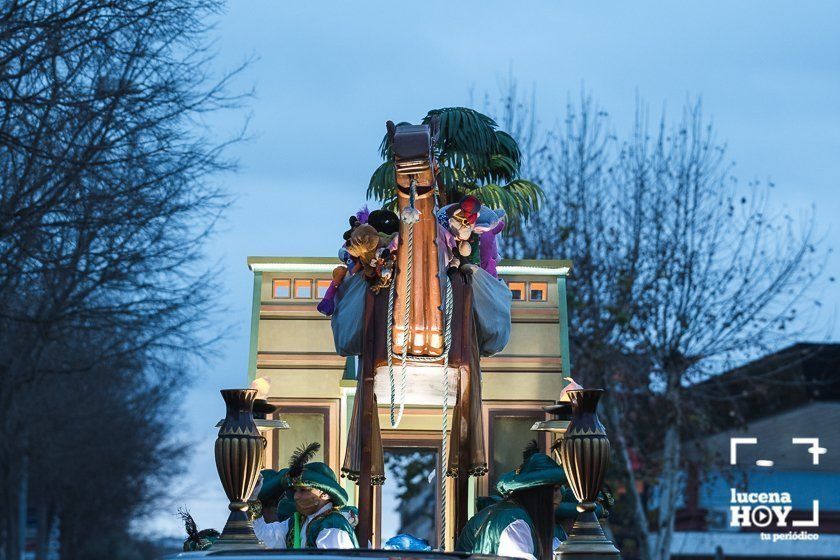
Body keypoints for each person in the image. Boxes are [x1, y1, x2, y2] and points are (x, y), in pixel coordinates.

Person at [457, 441, 566, 560]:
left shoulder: (532, 520)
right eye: (555, 489)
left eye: (560, 489)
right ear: (538, 491)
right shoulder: (515, 520)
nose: (559, 495)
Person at [274, 442, 359, 549]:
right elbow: (265, 536)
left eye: (303, 490)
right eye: (295, 490)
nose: (296, 496)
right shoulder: (298, 522)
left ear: (324, 494)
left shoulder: (332, 525)